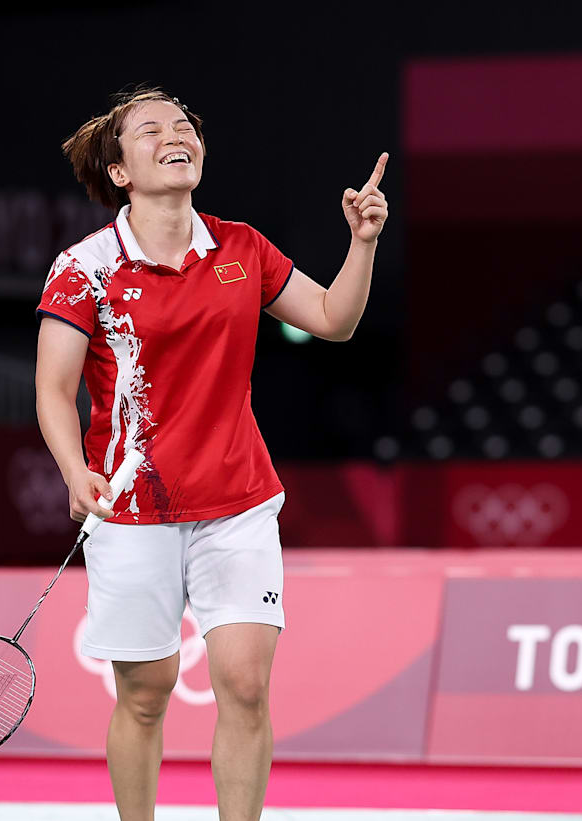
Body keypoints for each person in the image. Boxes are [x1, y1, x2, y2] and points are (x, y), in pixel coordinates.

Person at [35, 87, 388, 821]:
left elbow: (333, 319)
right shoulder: (85, 267)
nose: (176, 134)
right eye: (151, 129)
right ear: (120, 171)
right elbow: (54, 388)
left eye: (184, 126)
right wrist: (74, 469)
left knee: (246, 686)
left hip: (237, 500)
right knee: (145, 694)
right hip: (133, 506)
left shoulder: (241, 248)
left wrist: (362, 243)